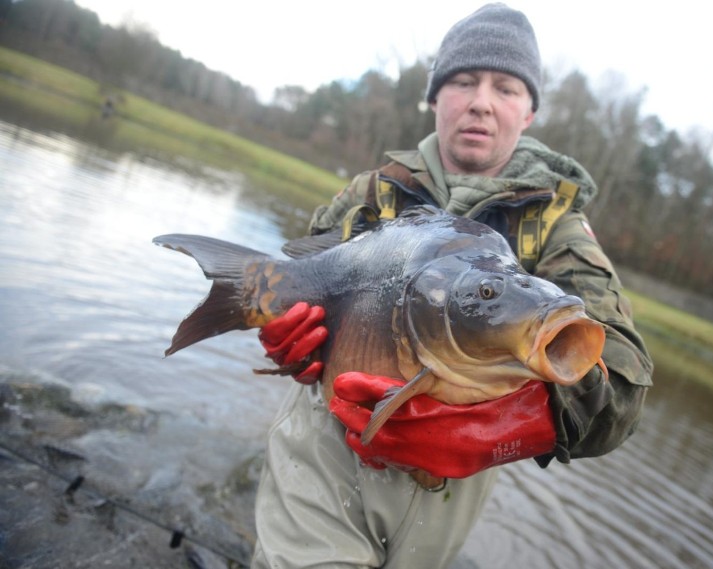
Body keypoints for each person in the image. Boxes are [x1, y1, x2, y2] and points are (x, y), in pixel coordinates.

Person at [251, 4, 653, 568]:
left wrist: (503, 428)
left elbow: (626, 389)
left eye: (506, 88)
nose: (481, 102)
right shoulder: (374, 196)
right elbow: (295, 281)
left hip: (449, 482)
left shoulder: (557, 229)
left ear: (530, 111)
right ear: (436, 97)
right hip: (325, 444)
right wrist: (281, 330)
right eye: (463, 81)